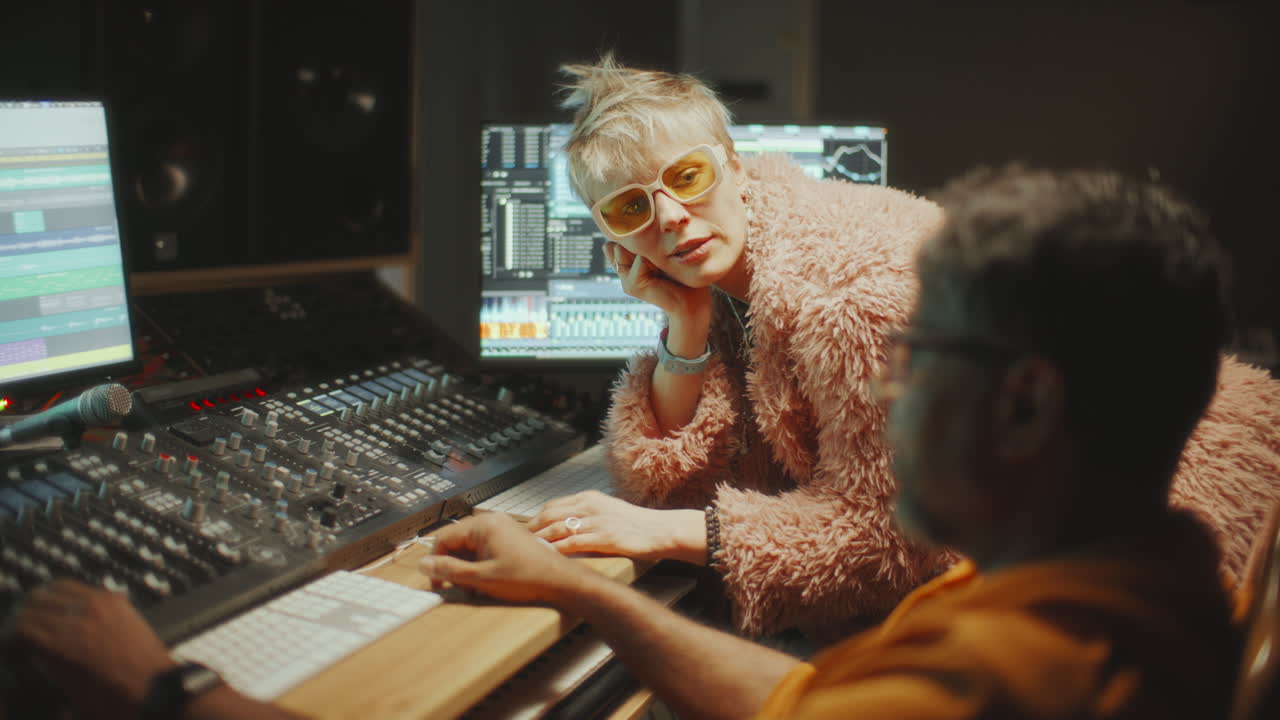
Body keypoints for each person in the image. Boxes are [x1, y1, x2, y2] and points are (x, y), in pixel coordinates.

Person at [10, 166, 1241, 719]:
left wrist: (171, 691)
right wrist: (596, 605)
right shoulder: (1107, 593)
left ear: (1023, 404)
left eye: (914, 362)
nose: (880, 389)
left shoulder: (1024, 683)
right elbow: (807, 701)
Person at [526, 56, 1280, 640]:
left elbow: (897, 539)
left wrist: (660, 532)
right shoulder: (738, 284)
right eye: (630, 207)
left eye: (686, 177)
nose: (669, 217)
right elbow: (682, 484)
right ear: (610, 232)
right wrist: (684, 326)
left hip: (1183, 530)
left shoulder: (845, 290)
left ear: (734, 163)